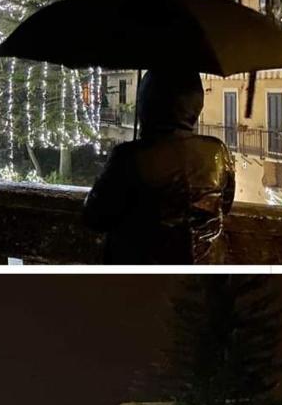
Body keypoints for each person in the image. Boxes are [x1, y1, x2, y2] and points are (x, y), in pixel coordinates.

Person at [83, 69, 236, 265]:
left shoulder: (129, 156)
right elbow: (225, 204)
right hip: (204, 274)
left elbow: (95, 216)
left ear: (147, 103)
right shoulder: (217, 151)